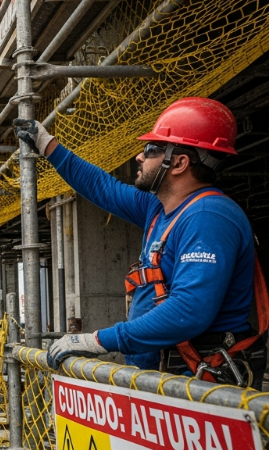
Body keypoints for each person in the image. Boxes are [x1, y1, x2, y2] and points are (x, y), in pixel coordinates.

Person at [15, 97, 267, 389]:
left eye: (151, 150)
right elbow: (101, 187)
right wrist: (47, 145)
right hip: (173, 376)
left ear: (180, 162)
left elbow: (188, 312)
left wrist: (98, 340)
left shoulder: (208, 217)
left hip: (201, 380)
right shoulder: (158, 208)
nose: (139, 157)